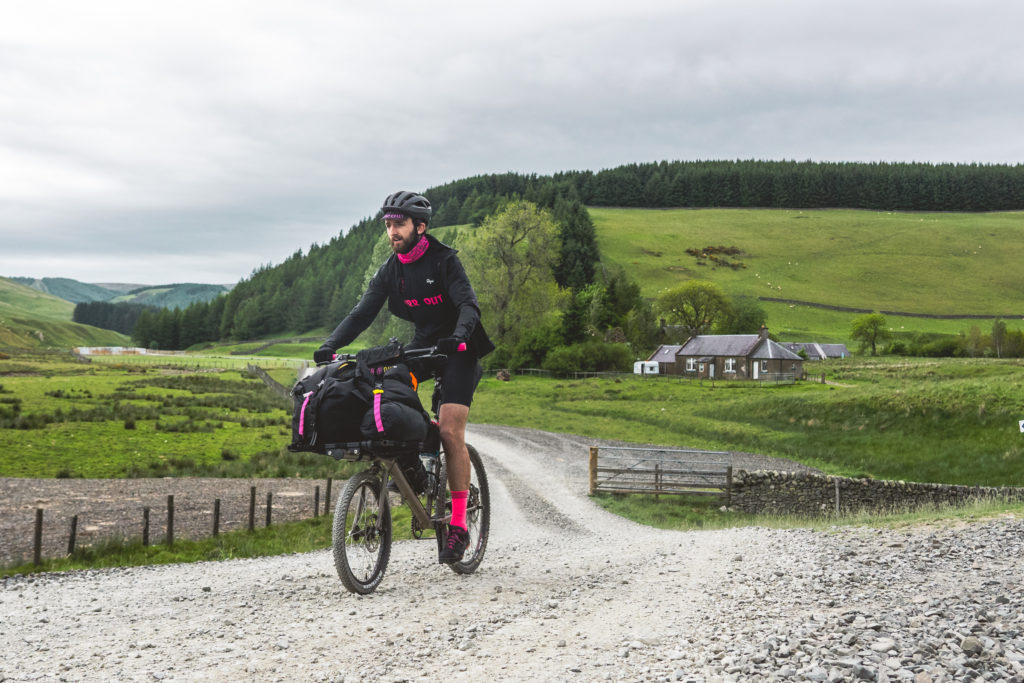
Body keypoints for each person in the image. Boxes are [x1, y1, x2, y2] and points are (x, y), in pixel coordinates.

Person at [314, 190, 494, 564]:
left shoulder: (444, 261)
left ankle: (459, 525)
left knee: (449, 430)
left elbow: (467, 304)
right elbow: (361, 313)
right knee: (389, 394)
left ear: (420, 227)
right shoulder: (391, 270)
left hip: (461, 349)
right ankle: (415, 468)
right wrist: (329, 346)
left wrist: (460, 337)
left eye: (399, 225)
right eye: (388, 225)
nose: (392, 232)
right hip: (424, 346)